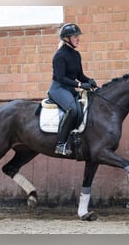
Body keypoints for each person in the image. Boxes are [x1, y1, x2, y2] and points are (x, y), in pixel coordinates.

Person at [48, 23, 97, 156]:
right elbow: (61, 77)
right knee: (73, 110)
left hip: (70, 89)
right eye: (75, 36)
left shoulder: (76, 55)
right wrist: (80, 85)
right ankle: (60, 144)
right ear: (66, 38)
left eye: (78, 36)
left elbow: (80, 75)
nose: (78, 39)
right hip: (58, 88)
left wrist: (89, 81)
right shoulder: (59, 55)